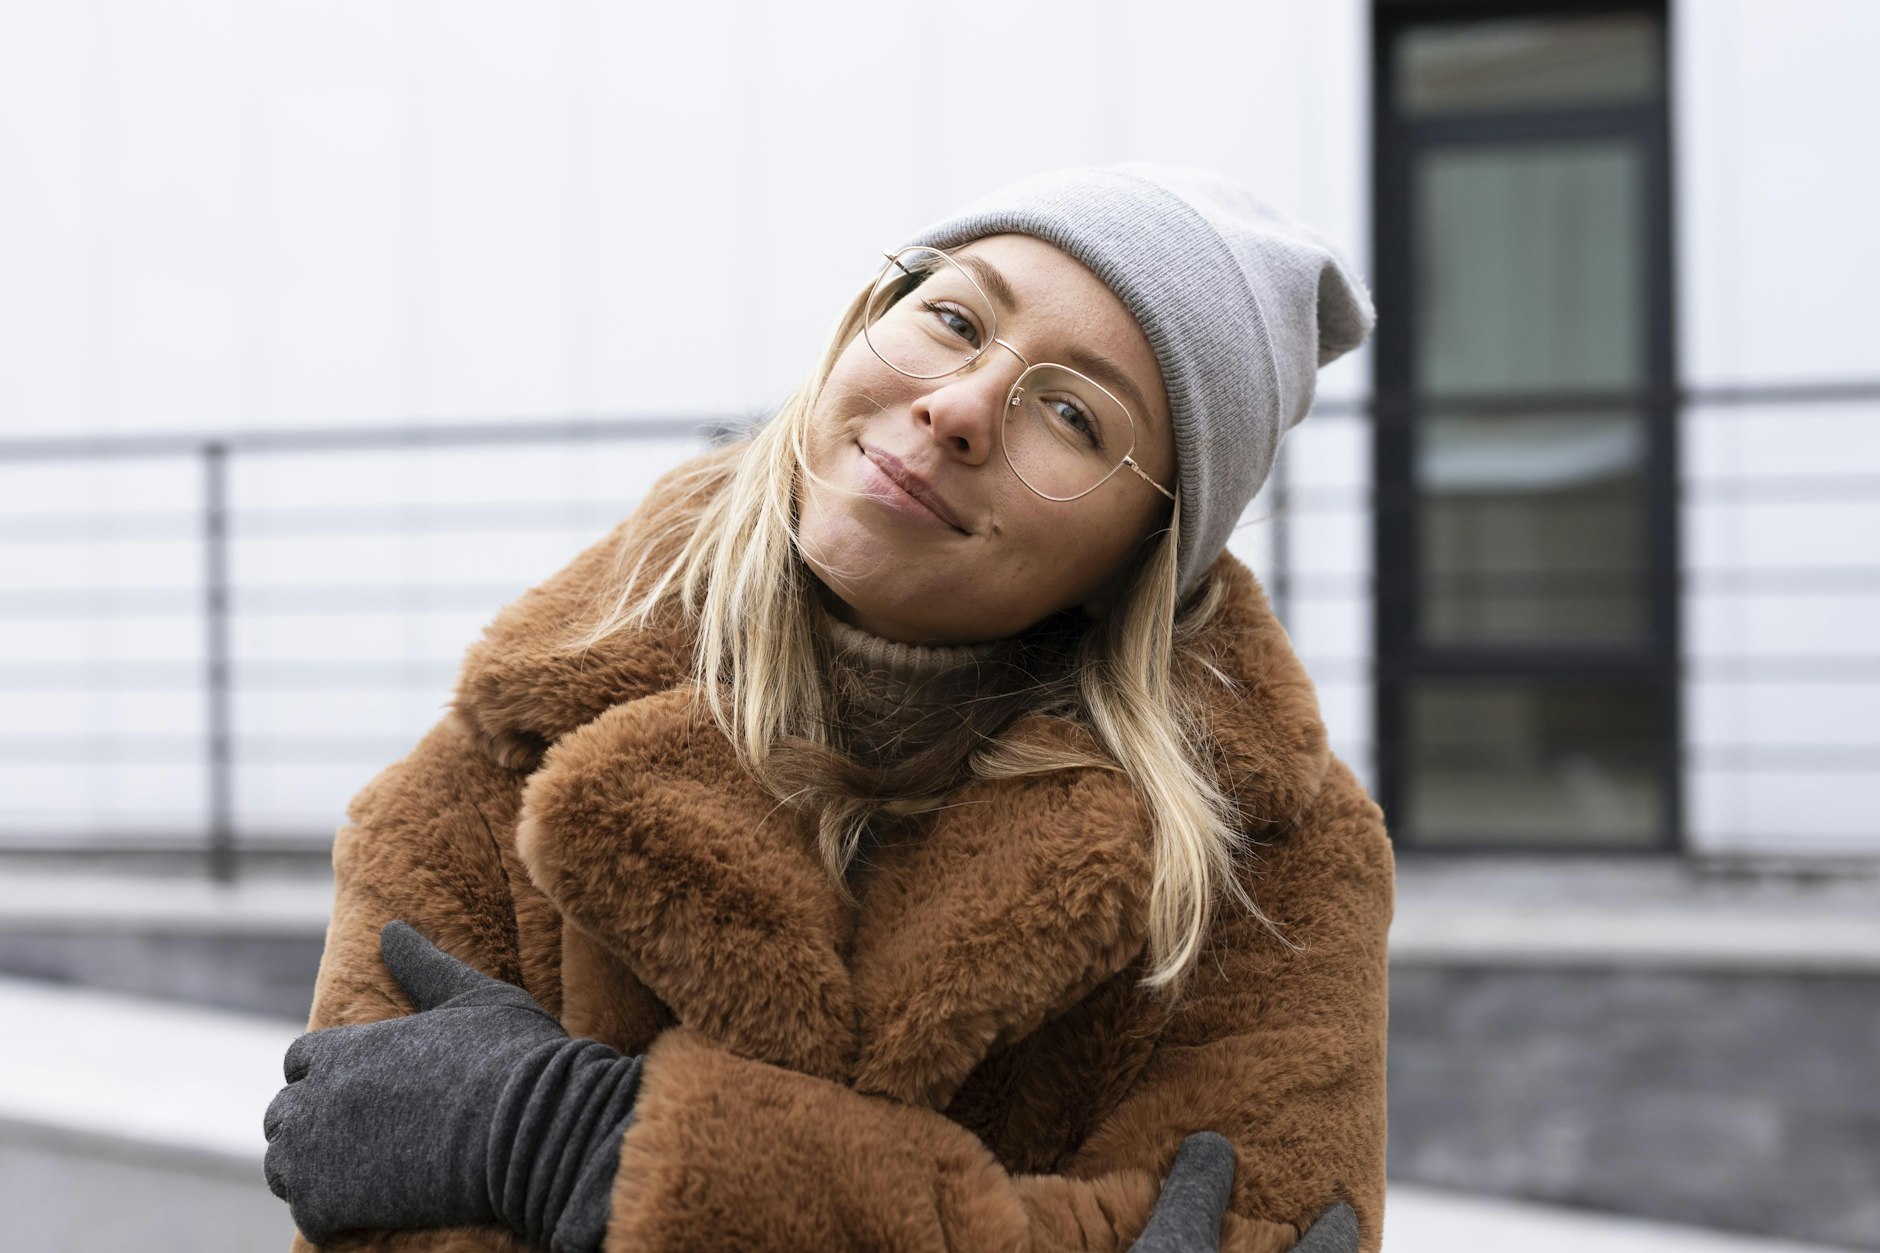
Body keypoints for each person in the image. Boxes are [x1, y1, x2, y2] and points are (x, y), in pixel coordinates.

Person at [262, 162, 1391, 1253]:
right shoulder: (503, 750)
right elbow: (371, 1211)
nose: (957, 406)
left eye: (1073, 415)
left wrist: (580, 1146)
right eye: (952, 319)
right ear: (863, 322)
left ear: (1141, 557)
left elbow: (1276, 1222)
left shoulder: (1275, 865)